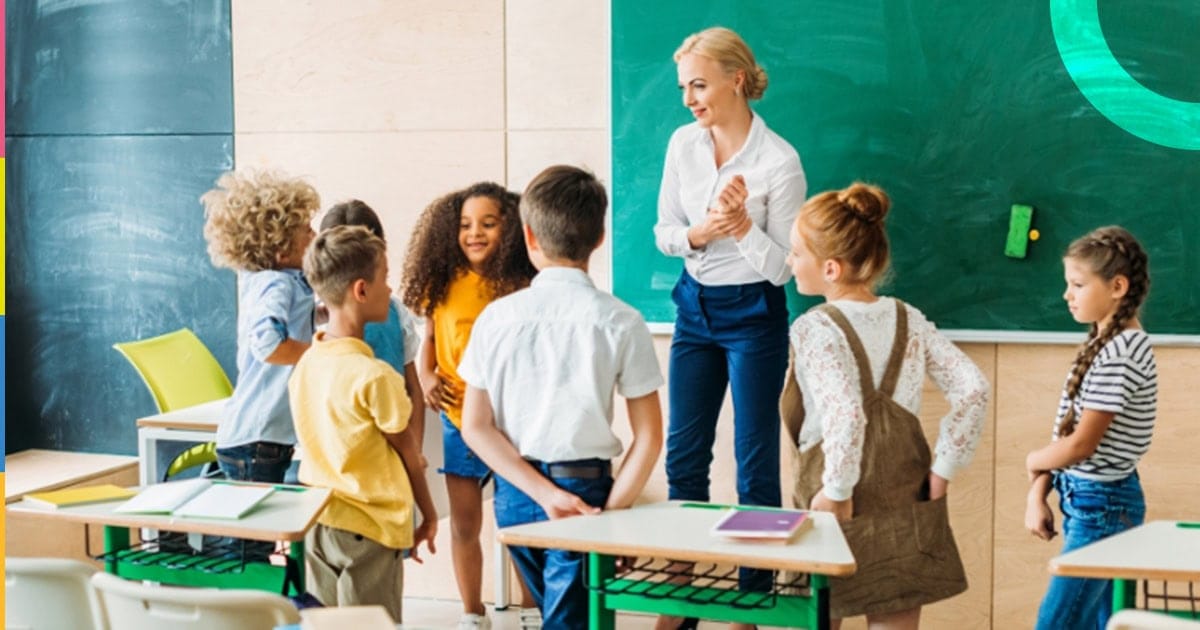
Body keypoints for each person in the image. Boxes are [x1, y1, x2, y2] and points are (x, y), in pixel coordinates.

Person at [458, 164, 664, 629]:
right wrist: (612, 516)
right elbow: (649, 437)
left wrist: (542, 493)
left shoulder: (496, 318)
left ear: (528, 236)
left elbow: (475, 426)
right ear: (600, 237)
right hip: (585, 491)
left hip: (515, 494)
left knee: (558, 618)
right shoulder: (622, 321)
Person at [782, 182, 989, 629]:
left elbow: (846, 414)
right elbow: (973, 388)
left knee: (818, 614)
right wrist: (943, 470)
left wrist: (838, 492)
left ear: (831, 268)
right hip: (903, 494)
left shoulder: (814, 329)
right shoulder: (908, 319)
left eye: (796, 253)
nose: (789, 262)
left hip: (832, 492)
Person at [653, 27, 806, 599]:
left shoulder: (780, 162)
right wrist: (699, 233)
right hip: (693, 307)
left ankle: (752, 599)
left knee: (755, 463)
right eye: (683, 88)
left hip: (754, 316)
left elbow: (784, 268)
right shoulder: (682, 145)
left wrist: (741, 229)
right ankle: (680, 597)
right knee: (684, 458)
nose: (688, 99)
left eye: (698, 85)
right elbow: (664, 231)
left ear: (736, 80)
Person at [399, 182, 538, 630]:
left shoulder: (519, 285)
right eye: (465, 225)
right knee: (464, 524)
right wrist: (426, 375)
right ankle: (472, 612)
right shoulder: (443, 282)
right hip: (458, 419)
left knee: (517, 523)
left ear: (510, 229)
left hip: (510, 423)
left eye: (487, 224)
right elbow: (429, 340)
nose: (474, 233)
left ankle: (532, 609)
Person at [289, 225, 437, 623]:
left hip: (319, 522)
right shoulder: (375, 376)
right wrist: (428, 515)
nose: (389, 289)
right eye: (385, 278)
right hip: (369, 529)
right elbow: (409, 456)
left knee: (326, 624)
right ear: (361, 290)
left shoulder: (307, 363)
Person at [1026, 226, 1155, 630]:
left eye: (1078, 285)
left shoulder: (1121, 352)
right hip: (1090, 500)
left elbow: (1081, 445)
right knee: (1099, 624)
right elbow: (1066, 436)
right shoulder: (1107, 345)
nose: (1068, 295)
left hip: (1103, 507)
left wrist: (1032, 461)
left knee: (1057, 624)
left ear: (1117, 287)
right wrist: (1038, 490)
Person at [201, 169, 318, 559]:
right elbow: (268, 343)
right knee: (249, 550)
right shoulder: (276, 283)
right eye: (306, 230)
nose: (315, 235)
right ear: (280, 247)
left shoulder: (272, 280)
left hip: (258, 437)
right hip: (257, 439)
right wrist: (321, 353)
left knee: (253, 543)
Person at [319, 200, 425, 459]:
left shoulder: (395, 311)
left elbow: (413, 390)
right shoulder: (315, 316)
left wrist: (414, 454)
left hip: (392, 454)